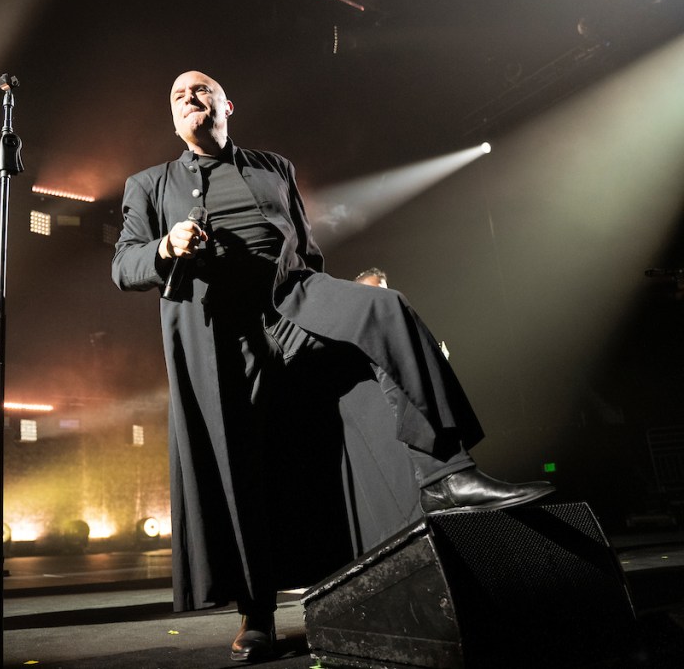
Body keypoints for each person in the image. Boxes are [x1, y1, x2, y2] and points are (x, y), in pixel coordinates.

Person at [111, 70, 553, 662]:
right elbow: (124, 264)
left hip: (293, 300)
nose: (190, 98)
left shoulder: (274, 168)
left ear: (227, 105)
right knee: (242, 463)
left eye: (202, 90)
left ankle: (447, 474)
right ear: (173, 119)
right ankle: (257, 614)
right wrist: (166, 246)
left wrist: (333, 305)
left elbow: (306, 247)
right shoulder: (149, 184)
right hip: (219, 331)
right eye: (178, 95)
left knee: (385, 308)